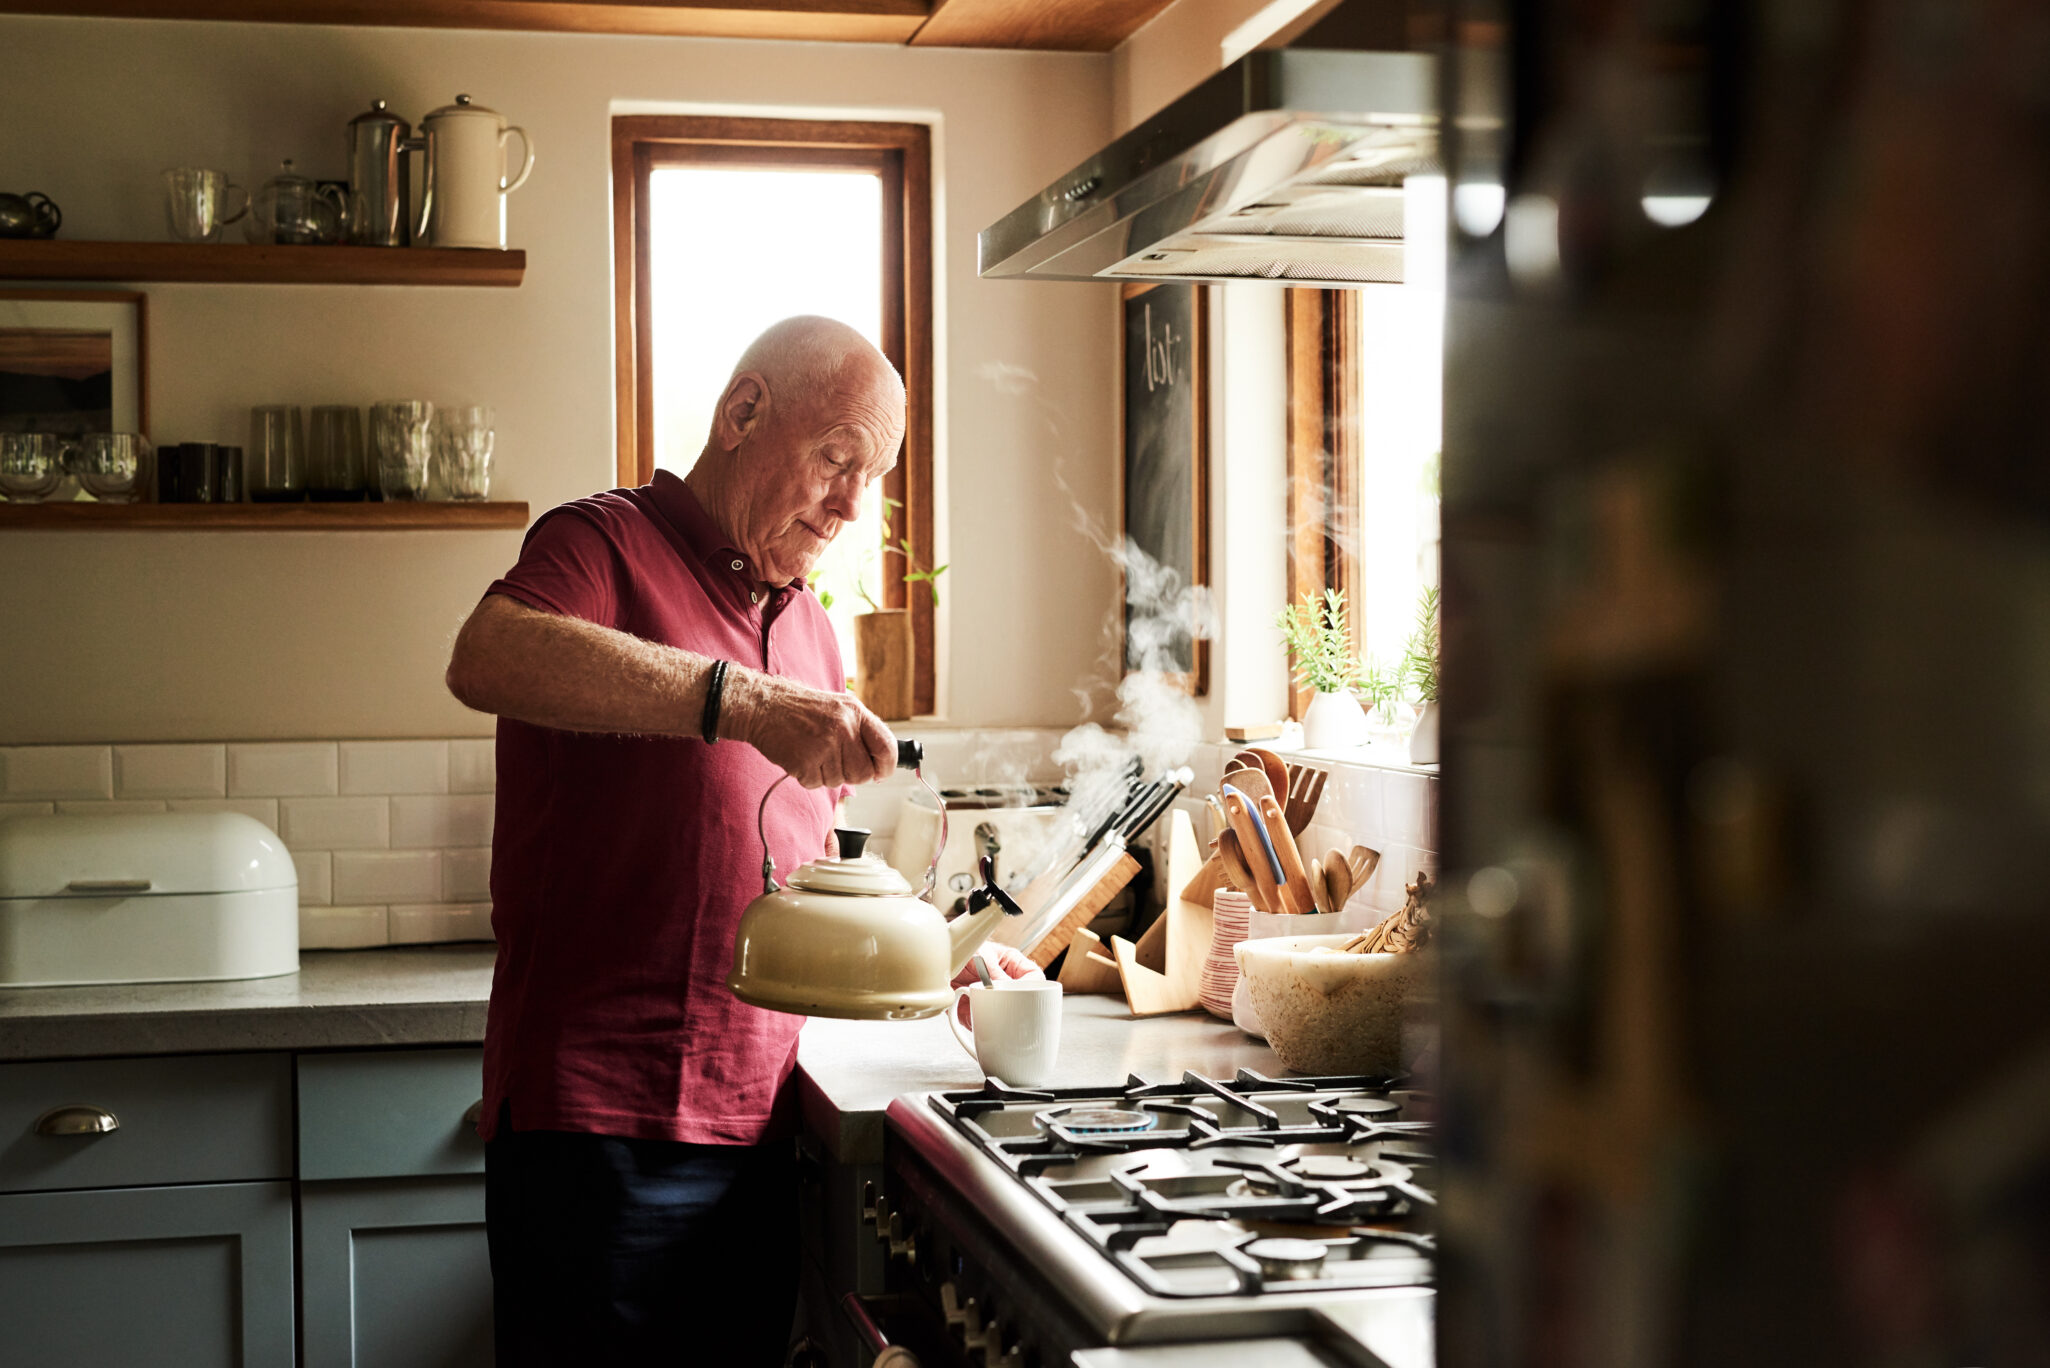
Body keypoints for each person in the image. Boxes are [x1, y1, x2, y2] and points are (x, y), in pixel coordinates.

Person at [445, 315, 1038, 1367]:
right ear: (743, 413)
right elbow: (489, 655)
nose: (855, 503)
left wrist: (943, 966)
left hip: (761, 1127)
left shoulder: (808, 624)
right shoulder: (600, 543)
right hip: (597, 1128)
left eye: (876, 476)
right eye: (837, 458)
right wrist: (738, 699)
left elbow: (801, 882)